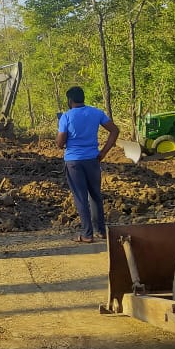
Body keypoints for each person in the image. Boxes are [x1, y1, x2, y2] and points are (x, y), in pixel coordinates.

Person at [56, 86, 119, 243]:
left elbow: (60, 143)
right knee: (96, 196)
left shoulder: (66, 117)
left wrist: (62, 137)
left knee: (81, 198)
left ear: (69, 101)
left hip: (74, 162)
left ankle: (87, 234)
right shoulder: (96, 113)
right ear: (83, 98)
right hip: (93, 160)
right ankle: (101, 231)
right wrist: (103, 152)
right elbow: (114, 131)